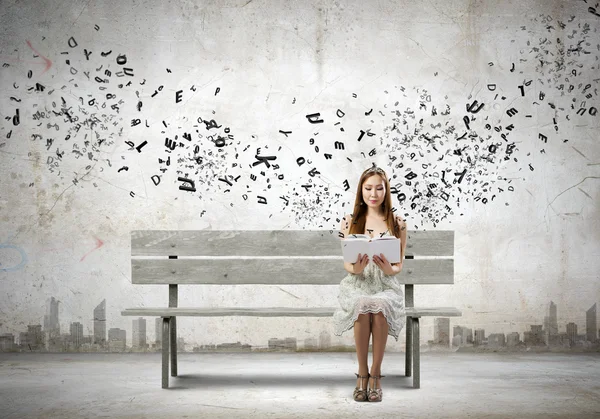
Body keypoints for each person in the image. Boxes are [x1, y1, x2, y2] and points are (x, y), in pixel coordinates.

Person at [332, 164, 407, 402]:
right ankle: (361, 375)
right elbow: (347, 264)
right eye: (368, 189)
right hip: (358, 282)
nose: (373, 194)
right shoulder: (349, 221)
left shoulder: (397, 222)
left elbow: (399, 265)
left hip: (385, 284)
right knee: (363, 304)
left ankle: (375, 375)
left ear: (386, 190)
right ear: (360, 191)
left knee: (380, 306)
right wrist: (356, 268)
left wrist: (389, 269)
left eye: (379, 189)